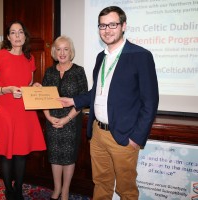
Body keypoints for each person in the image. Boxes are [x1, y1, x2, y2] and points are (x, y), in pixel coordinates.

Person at [59, 6, 159, 200]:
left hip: (124, 136)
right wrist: (74, 100)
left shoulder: (141, 56)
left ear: (123, 26)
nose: (107, 30)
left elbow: (150, 101)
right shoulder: (101, 57)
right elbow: (97, 92)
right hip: (97, 134)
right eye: (103, 25)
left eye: (112, 24)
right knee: (101, 184)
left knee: (126, 190)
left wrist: (136, 138)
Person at [0, 20, 46, 200]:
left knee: (21, 153)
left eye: (20, 32)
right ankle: (8, 190)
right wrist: (7, 89)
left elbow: (26, 84)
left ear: (25, 36)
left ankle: (18, 189)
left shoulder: (30, 58)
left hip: (24, 111)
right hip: (5, 110)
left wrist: (34, 86)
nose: (17, 36)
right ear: (8, 37)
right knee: (6, 154)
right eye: (13, 32)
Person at [42, 35, 88, 200]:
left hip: (71, 122)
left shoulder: (78, 71)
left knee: (68, 158)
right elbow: (42, 98)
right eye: (58, 49)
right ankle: (56, 189)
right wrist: (48, 117)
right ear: (54, 51)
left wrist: (66, 119)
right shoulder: (49, 72)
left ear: (71, 52)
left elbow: (83, 99)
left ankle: (66, 191)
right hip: (52, 121)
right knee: (54, 157)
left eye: (66, 49)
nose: (62, 53)